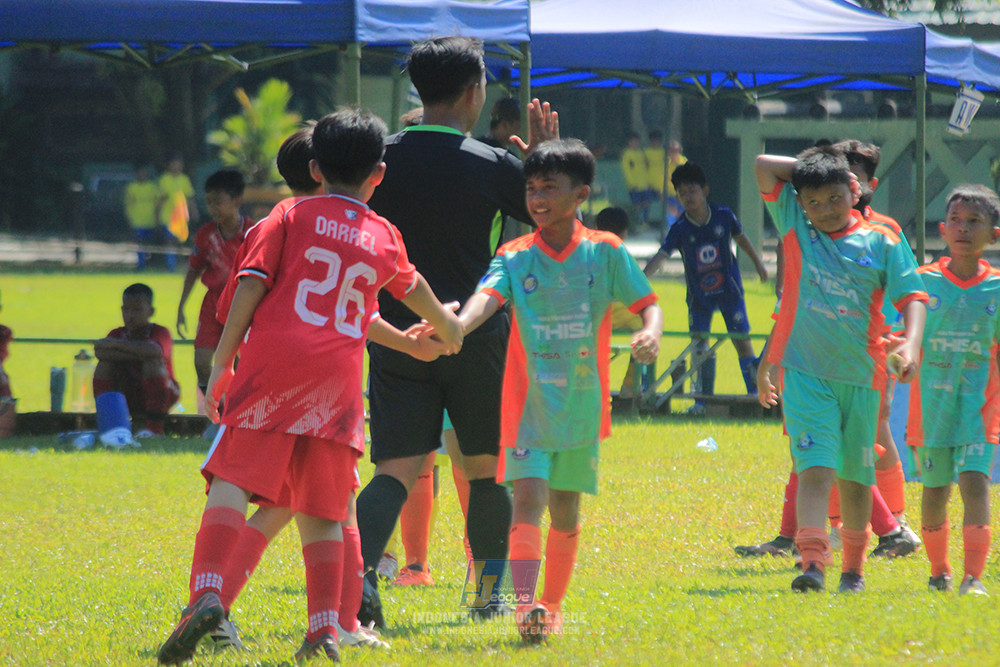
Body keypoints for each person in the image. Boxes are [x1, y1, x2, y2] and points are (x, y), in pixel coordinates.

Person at [155, 109, 464, 665]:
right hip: (338, 386)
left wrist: (222, 365)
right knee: (324, 508)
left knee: (230, 479)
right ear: (379, 174)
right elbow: (408, 289)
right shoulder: (381, 233)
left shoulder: (289, 216)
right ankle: (324, 630)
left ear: (315, 168)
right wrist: (445, 330)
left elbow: (249, 289)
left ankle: (206, 591)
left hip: (273, 370)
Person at [355, 35, 557, 627]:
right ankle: (490, 593)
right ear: (474, 92)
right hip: (478, 332)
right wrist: (543, 163)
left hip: (394, 332)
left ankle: (359, 582)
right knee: (486, 469)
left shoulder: (380, 160)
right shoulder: (493, 165)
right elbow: (557, 225)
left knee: (394, 469)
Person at [458, 138, 662, 642]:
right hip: (527, 407)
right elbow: (484, 299)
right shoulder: (514, 254)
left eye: (550, 187)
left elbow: (647, 303)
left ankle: (551, 604)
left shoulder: (605, 252)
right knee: (528, 498)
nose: (538, 197)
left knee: (566, 507)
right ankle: (526, 606)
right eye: (531, 188)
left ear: (582, 195)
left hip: (579, 407)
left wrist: (651, 330)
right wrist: (454, 326)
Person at [735, 140, 921, 560]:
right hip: (805, 366)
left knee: (859, 453)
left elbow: (909, 297)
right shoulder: (803, 226)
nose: (825, 204)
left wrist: (906, 343)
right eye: (813, 194)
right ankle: (811, 552)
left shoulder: (883, 236)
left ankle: (892, 525)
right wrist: (768, 363)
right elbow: (764, 164)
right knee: (813, 456)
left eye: (838, 188)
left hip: (864, 365)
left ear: (859, 187)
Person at [909, 184, 1000, 595]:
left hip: (980, 411)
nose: (963, 228)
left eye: (975, 221)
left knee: (975, 483)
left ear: (993, 235)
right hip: (931, 412)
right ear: (943, 230)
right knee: (935, 491)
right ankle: (939, 570)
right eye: (956, 221)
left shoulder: (996, 289)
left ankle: (974, 577)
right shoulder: (923, 282)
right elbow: (902, 335)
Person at [643, 162, 767, 415]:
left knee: (741, 342)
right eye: (682, 193)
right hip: (699, 297)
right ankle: (702, 400)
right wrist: (641, 277)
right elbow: (662, 255)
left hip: (730, 292)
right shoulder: (679, 228)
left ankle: (754, 394)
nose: (688, 197)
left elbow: (742, 239)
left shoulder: (723, 215)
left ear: (705, 190)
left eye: (692, 190)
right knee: (699, 345)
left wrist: (759, 265)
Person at [176, 170, 252, 410]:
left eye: (218, 201)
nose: (212, 208)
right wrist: (181, 306)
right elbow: (194, 269)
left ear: (237, 200)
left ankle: (236, 412)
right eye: (209, 202)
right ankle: (216, 408)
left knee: (243, 363)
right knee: (201, 361)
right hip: (213, 304)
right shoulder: (205, 234)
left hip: (243, 304)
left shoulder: (253, 233)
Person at [93, 283, 180, 436]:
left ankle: (154, 429)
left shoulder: (160, 332)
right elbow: (100, 351)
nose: (130, 315)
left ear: (151, 311)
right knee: (104, 366)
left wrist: (117, 346)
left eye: (137, 310)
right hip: (128, 392)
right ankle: (111, 424)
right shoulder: (117, 333)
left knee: (152, 364)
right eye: (126, 310)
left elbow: (155, 352)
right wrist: (138, 352)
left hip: (162, 394)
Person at [595, 207, 646, 410]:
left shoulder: (589, 251)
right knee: (646, 329)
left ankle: (595, 387)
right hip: (621, 313)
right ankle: (630, 386)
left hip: (595, 314)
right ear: (624, 232)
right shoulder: (623, 253)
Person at [157, 155, 198, 271]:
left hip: (182, 217)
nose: (178, 166)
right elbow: (160, 199)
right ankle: (171, 266)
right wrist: (158, 215)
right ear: (169, 165)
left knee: (181, 241)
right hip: (168, 216)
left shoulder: (184, 179)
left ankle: (181, 265)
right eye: (175, 163)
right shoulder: (164, 179)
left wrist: (194, 212)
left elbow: (190, 197)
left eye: (180, 163)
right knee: (170, 241)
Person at [123, 166, 160, 271]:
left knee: (149, 243)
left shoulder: (152, 187)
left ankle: (148, 263)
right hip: (137, 220)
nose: (142, 175)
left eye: (144, 172)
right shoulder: (131, 187)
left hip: (150, 220)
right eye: (140, 172)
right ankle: (141, 265)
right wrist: (129, 218)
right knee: (139, 242)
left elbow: (157, 204)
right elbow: (128, 204)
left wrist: (157, 218)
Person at [620, 132, 650, 225]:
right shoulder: (626, 154)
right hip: (635, 185)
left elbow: (646, 167)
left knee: (646, 203)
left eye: (636, 141)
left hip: (644, 184)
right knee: (637, 205)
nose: (635, 143)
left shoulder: (641, 153)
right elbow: (626, 170)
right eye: (632, 141)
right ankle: (638, 223)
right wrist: (632, 183)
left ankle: (645, 222)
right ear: (628, 142)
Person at [665, 139, 688, 225]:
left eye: (676, 151)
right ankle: (671, 229)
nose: (674, 153)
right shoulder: (666, 163)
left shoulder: (684, 162)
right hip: (670, 191)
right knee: (672, 210)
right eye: (672, 150)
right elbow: (662, 177)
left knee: (680, 212)